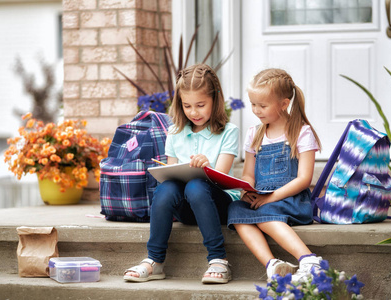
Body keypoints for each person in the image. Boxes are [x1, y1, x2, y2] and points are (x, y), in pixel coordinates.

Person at [124, 64, 240, 284]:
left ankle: (218, 259)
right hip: (187, 208)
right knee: (166, 188)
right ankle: (154, 261)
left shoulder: (229, 131)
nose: (194, 112)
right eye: (187, 106)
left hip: (219, 204)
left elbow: (223, 179)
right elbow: (171, 175)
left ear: (215, 100)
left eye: (200, 105)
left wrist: (207, 166)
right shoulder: (175, 132)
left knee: (196, 186)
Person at [227, 68, 322, 282]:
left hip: (292, 200)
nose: (256, 110)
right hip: (262, 198)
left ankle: (309, 260)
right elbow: (249, 174)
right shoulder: (254, 134)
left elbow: (304, 179)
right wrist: (246, 190)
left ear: (284, 103)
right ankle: (273, 264)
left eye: (262, 105)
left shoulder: (301, 132)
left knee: (264, 211)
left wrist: (270, 197)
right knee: (235, 208)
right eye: (252, 104)